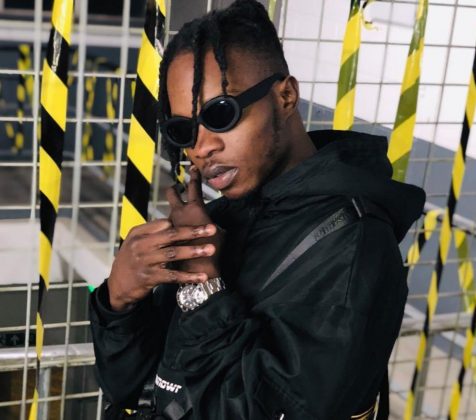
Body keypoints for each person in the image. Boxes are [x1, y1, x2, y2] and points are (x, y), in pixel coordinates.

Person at [89, 1, 425, 419]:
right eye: (183, 130)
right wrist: (120, 302)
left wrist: (204, 287)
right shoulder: (222, 220)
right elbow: (133, 388)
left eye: (220, 113)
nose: (201, 147)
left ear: (285, 96)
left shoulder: (354, 247)